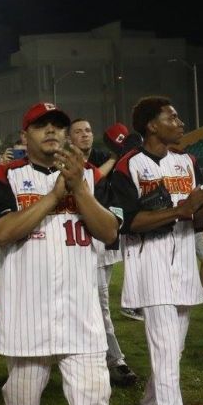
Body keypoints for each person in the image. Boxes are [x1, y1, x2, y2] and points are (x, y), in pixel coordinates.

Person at [0, 102, 122, 405]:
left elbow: (109, 232)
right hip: (27, 312)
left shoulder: (91, 175)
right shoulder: (4, 176)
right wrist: (53, 197)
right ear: (24, 135)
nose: (51, 131)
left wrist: (78, 187)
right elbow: (1, 233)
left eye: (58, 126)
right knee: (22, 398)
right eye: (41, 125)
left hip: (81, 310)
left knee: (94, 394)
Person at [109, 97, 203, 405]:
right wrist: (181, 209)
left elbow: (192, 221)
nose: (179, 122)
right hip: (150, 266)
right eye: (171, 117)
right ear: (150, 126)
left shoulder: (188, 162)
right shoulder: (129, 165)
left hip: (183, 266)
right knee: (165, 355)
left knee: (173, 352)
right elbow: (125, 223)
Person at [69, 118, 139, 387]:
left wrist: (124, 154)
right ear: (70, 138)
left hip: (104, 241)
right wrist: (116, 156)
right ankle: (110, 358)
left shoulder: (102, 156)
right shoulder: (73, 163)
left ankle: (111, 359)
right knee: (92, 304)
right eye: (78, 131)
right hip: (76, 240)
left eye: (88, 130)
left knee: (100, 303)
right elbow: (93, 176)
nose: (85, 135)